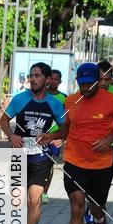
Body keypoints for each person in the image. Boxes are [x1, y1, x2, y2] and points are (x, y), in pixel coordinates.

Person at [39, 61, 113, 224]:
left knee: (96, 207)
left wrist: (110, 139)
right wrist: (52, 135)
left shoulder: (112, 101)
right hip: (75, 162)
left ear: (98, 81)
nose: (86, 88)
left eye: (90, 84)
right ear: (77, 81)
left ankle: (100, 219)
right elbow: (66, 128)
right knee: (76, 206)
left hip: (101, 165)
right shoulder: (71, 101)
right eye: (82, 84)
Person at [0, 62, 65, 224]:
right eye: (31, 76)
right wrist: (11, 135)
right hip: (19, 154)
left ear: (47, 79)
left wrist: (55, 137)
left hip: (41, 156)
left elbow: (65, 127)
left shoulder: (54, 103)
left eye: (37, 76)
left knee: (34, 199)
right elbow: (4, 120)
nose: (32, 79)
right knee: (16, 200)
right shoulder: (20, 99)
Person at [41, 69, 67, 203]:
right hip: (39, 135)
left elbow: (67, 121)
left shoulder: (64, 98)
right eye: (51, 78)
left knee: (48, 164)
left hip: (54, 137)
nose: (53, 81)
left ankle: (44, 192)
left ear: (60, 81)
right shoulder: (40, 94)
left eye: (56, 79)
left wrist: (62, 138)